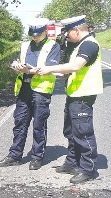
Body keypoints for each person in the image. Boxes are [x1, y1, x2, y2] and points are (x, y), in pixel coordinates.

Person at [37, 15, 103, 184]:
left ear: (76, 30)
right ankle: (72, 163)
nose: (65, 36)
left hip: (83, 95)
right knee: (71, 131)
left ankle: (88, 169)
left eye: (67, 33)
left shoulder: (89, 44)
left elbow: (76, 66)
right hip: (74, 94)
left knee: (83, 132)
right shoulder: (79, 45)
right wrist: (58, 73)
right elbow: (71, 69)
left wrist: (49, 69)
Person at [0, 18, 61, 170]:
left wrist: (28, 70)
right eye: (32, 34)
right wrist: (15, 65)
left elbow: (49, 68)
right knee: (19, 123)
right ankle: (15, 155)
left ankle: (37, 157)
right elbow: (16, 60)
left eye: (38, 34)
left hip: (41, 91)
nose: (35, 37)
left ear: (45, 31)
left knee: (39, 125)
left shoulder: (53, 46)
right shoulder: (25, 45)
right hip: (24, 89)